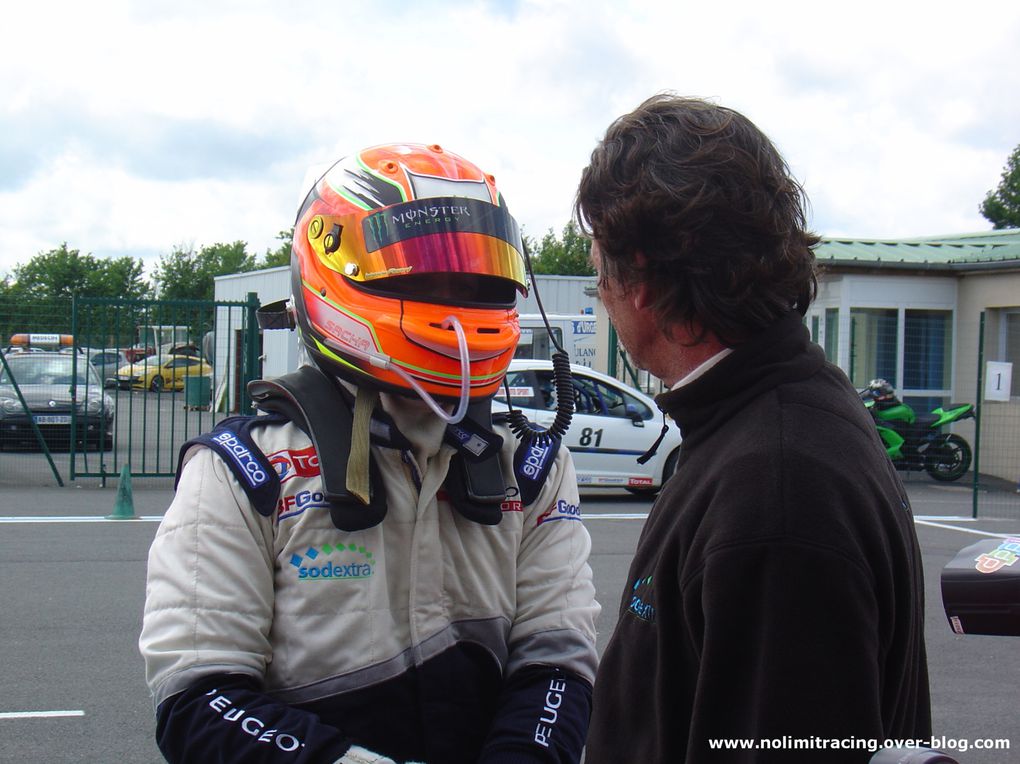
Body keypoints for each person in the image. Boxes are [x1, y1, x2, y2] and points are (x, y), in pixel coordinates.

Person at [139, 143, 600, 764]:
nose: (458, 292)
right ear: (334, 271)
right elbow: (198, 695)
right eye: (429, 271)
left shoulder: (530, 464)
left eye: (476, 270)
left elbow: (558, 659)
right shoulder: (241, 469)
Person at [576, 95, 931, 762]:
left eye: (600, 277)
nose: (603, 292)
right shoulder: (764, 421)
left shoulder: (777, 487)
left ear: (643, 281)